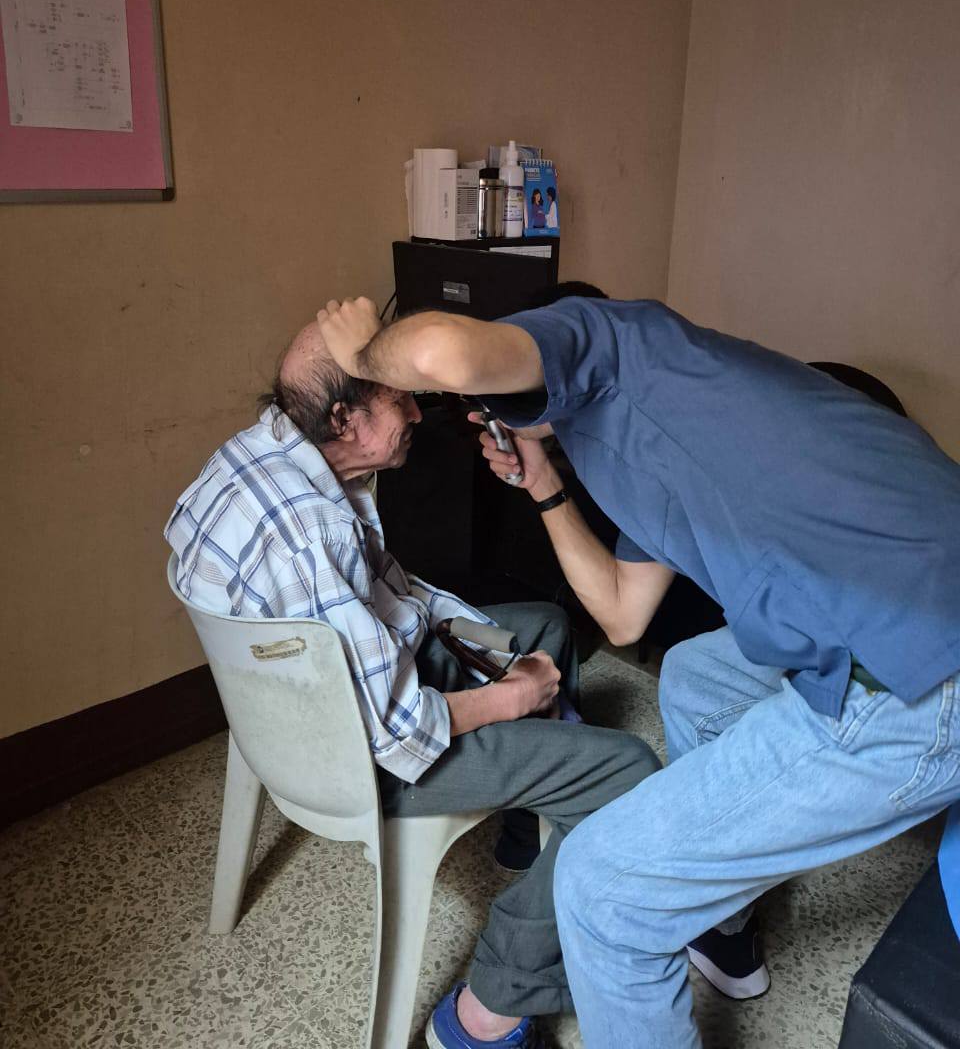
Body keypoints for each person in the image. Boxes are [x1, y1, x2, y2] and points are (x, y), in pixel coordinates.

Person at [317, 293, 960, 1049]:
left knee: (602, 887)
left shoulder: (614, 338)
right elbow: (622, 614)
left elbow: (442, 353)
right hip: (902, 611)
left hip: (921, 669)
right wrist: (543, 483)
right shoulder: (648, 437)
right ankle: (721, 928)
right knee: (694, 676)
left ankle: (646, 907)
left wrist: (364, 353)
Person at [165, 317, 659, 1049]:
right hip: (362, 757)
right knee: (629, 773)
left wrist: (490, 649)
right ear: (345, 419)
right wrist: (509, 696)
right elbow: (396, 730)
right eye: (400, 399)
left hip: (288, 705)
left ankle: (526, 830)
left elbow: (392, 599)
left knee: (545, 629)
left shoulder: (257, 452)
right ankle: (489, 1008)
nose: (418, 415)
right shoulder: (313, 531)